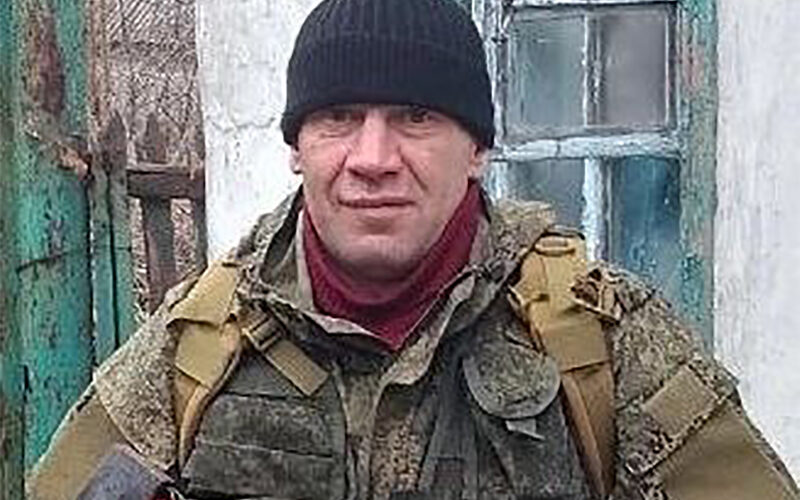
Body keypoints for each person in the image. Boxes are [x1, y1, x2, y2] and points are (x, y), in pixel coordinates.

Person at [27, 0, 800, 498]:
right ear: (297, 147)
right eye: (339, 117)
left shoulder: (596, 337)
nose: (373, 157)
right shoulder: (200, 343)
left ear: (478, 150)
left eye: (415, 117)